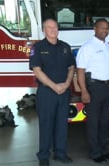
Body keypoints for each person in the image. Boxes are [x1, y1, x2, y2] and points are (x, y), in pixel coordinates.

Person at [29, 18, 75, 166]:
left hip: (64, 91)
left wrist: (67, 84)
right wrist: (54, 86)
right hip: (47, 92)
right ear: (44, 30)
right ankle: (43, 156)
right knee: (46, 124)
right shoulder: (37, 47)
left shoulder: (65, 47)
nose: (53, 29)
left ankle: (60, 153)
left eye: (55, 27)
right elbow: (37, 70)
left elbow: (71, 67)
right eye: (49, 27)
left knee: (62, 124)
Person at [76, 18, 109, 163]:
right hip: (94, 87)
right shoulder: (87, 47)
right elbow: (80, 71)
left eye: (107, 28)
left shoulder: (108, 46)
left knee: (105, 122)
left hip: (106, 87)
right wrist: (84, 91)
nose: (105, 30)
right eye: (102, 28)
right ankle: (95, 153)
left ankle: (103, 150)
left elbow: (108, 68)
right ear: (95, 29)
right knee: (93, 122)